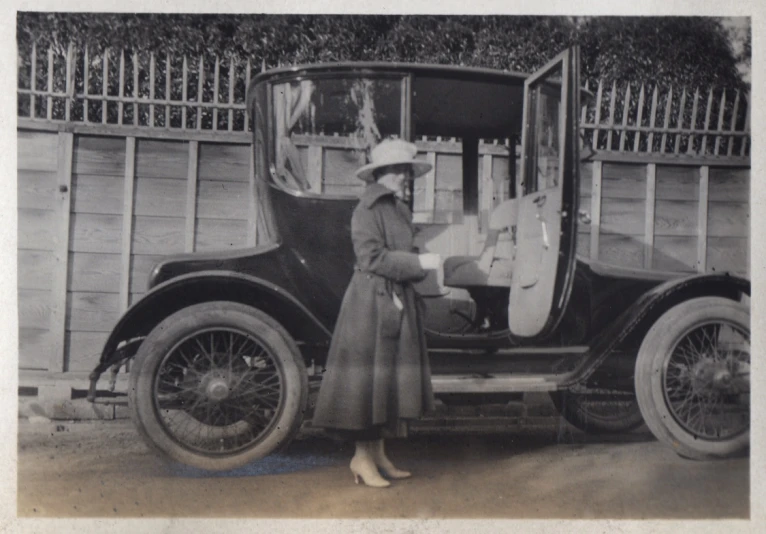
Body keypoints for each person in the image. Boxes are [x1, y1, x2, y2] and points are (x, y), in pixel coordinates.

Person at [312, 139, 441, 488]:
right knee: (369, 382)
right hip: (371, 302)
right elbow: (372, 259)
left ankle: (379, 455)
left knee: (384, 380)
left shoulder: (397, 208)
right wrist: (419, 262)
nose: (406, 176)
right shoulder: (368, 209)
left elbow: (400, 252)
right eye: (400, 170)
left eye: (408, 170)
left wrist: (418, 260)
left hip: (393, 298)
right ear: (382, 173)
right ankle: (361, 458)